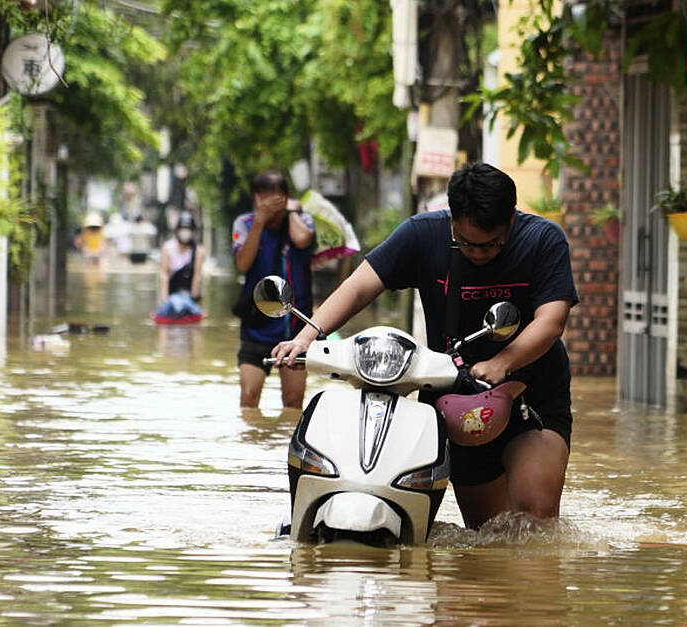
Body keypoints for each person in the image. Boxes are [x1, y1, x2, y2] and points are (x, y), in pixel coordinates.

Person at [269, 162, 579, 529]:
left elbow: (552, 320)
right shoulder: (422, 234)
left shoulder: (543, 240)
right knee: (487, 535)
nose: (479, 253)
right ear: (452, 220)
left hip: (530, 393)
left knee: (534, 519)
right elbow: (360, 286)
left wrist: (503, 362)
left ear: (511, 219)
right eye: (466, 243)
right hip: (455, 398)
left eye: (492, 244)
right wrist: (307, 335)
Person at [233, 170, 316, 412]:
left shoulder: (302, 220)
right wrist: (260, 221)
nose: (270, 205)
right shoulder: (245, 224)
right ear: (256, 198)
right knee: (249, 401)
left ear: (286, 197)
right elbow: (242, 263)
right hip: (257, 327)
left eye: (276, 199)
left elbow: (303, 240)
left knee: (293, 405)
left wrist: (290, 212)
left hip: (295, 328)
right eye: (264, 199)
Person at [154, 212, 205, 321]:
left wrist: (194, 300)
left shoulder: (198, 250)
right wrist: (165, 298)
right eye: (183, 228)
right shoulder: (168, 247)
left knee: (189, 309)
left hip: (189, 295)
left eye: (188, 229)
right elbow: (164, 274)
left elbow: (197, 276)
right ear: (177, 230)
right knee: (173, 305)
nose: (185, 232)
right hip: (172, 295)